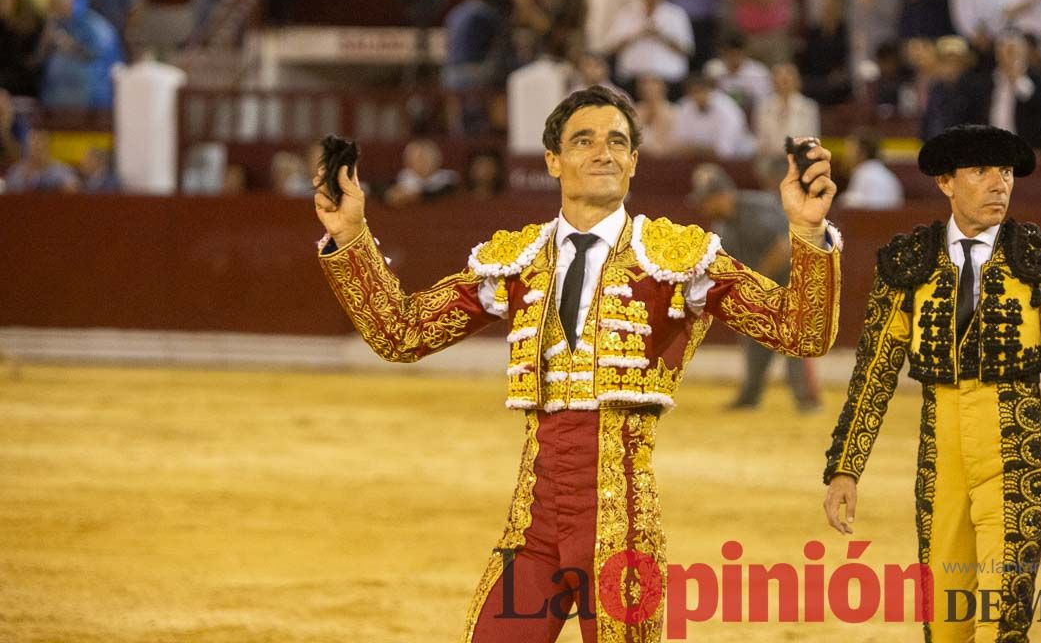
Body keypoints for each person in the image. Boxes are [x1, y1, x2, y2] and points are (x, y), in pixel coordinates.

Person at [313, 84, 843, 641]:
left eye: (617, 141)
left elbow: (801, 331)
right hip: (535, 528)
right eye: (583, 140)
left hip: (623, 530)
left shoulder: (677, 260)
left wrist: (807, 232)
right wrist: (350, 236)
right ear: (552, 160)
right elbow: (401, 332)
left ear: (634, 161)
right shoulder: (515, 264)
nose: (603, 152)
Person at [823, 124, 1041, 643]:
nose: (998, 184)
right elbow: (873, 373)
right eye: (981, 172)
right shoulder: (908, 264)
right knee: (944, 620)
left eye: (1005, 173)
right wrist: (845, 468)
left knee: (1002, 620)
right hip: (941, 456)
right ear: (946, 183)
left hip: (1015, 449)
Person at [689, 163, 823, 412]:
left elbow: (783, 248)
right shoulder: (722, 228)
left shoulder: (757, 210)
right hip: (768, 285)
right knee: (754, 333)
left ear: (721, 196)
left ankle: (807, 400)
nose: (703, 208)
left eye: (706, 201)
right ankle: (750, 395)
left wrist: (755, 284)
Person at [838, 126, 903, 209]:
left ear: (862, 152)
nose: (846, 155)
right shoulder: (883, 172)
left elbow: (868, 211)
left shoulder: (864, 174)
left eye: (850, 150)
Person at [4, 127, 79, 191]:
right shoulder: (16, 172)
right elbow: (8, 195)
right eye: (34, 145)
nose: (37, 149)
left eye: (41, 145)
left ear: (48, 147)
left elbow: (73, 189)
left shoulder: (61, 170)